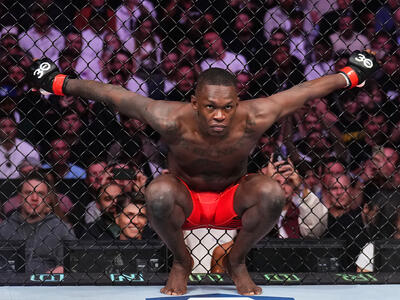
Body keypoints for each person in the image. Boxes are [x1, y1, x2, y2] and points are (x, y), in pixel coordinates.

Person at [29, 49, 378, 295]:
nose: (219, 116)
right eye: (210, 107)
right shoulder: (168, 117)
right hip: (185, 202)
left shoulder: (255, 115)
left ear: (237, 104)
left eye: (227, 108)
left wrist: (350, 76)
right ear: (194, 102)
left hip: (233, 200)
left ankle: (237, 262)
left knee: (272, 192)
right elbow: (113, 94)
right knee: (157, 192)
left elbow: (303, 91)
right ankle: (181, 262)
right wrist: (58, 83)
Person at [0, 171, 76, 273]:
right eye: (29, 193)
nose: (34, 198)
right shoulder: (5, 228)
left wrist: (63, 269)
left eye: (40, 194)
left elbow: (75, 262)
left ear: (48, 199)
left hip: (50, 286)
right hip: (11, 286)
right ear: (20, 197)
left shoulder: (61, 229)